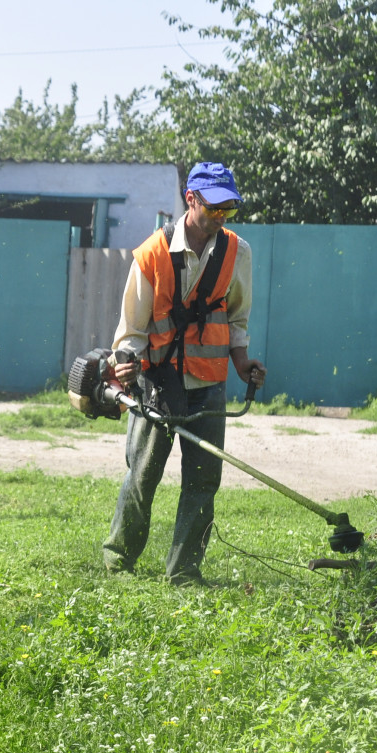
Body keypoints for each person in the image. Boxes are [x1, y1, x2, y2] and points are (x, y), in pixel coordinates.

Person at [100, 162, 266, 585]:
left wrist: (242, 362)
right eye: (214, 207)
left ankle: (185, 571)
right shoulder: (151, 255)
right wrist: (126, 361)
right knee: (143, 474)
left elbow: (237, 318)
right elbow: (132, 331)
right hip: (158, 382)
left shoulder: (237, 252)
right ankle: (119, 559)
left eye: (228, 209)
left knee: (204, 481)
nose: (221, 216)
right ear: (191, 199)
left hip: (208, 384)